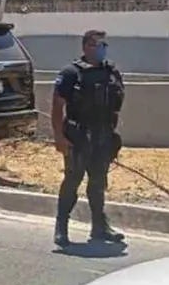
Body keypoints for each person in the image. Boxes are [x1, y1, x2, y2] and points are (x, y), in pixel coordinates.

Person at [51, 29, 126, 247]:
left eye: (104, 45)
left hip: (103, 136)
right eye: (97, 45)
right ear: (86, 47)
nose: (102, 49)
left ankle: (99, 228)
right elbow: (57, 105)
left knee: (97, 184)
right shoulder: (71, 72)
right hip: (78, 136)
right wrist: (59, 137)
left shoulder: (111, 71)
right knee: (72, 181)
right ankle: (61, 228)